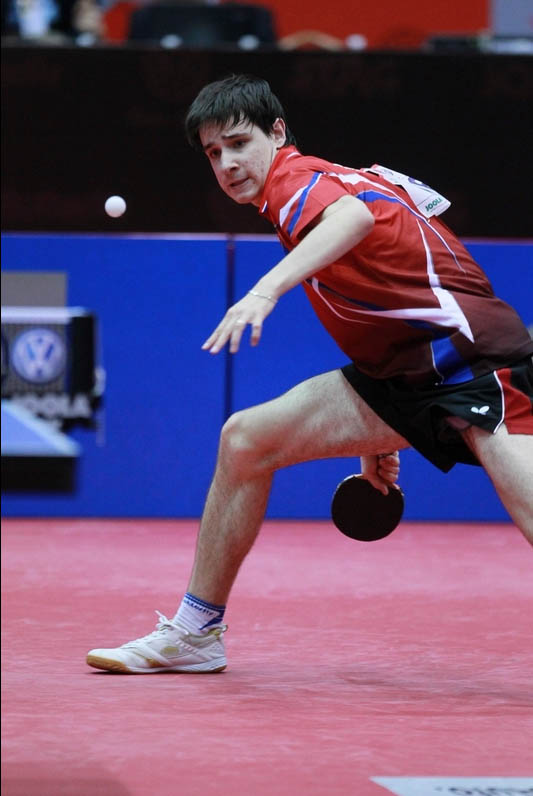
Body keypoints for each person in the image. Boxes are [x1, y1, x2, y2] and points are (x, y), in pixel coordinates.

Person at [87, 74, 533, 674]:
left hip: (477, 364)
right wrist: (380, 432)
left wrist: (264, 292)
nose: (227, 164)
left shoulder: (294, 180)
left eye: (238, 143)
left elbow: (354, 221)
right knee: (246, 440)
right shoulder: (327, 179)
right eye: (213, 153)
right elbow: (388, 282)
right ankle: (195, 635)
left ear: (277, 133)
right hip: (404, 373)